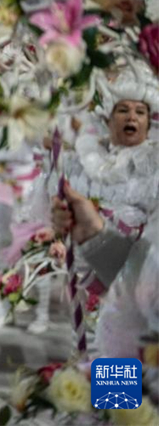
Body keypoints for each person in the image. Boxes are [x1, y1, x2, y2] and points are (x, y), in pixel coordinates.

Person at [49, 63, 159, 353]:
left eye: (140, 111)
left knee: (132, 351)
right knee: (96, 353)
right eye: (124, 110)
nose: (132, 117)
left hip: (142, 277)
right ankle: (107, 396)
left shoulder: (155, 165)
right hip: (91, 270)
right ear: (108, 118)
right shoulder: (81, 163)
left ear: (150, 121)